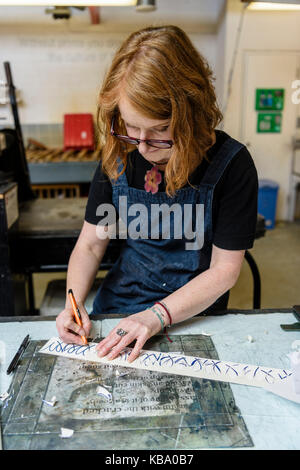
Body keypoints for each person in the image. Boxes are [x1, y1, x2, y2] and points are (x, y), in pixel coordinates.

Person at [56, 25, 258, 363]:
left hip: (191, 316)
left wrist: (155, 316)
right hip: (118, 310)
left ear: (192, 115)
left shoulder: (231, 165)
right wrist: (71, 306)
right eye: (132, 128)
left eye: (161, 130)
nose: (144, 146)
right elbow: (90, 244)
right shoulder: (119, 155)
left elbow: (225, 271)